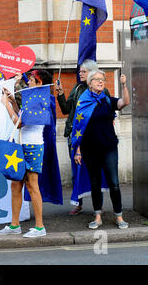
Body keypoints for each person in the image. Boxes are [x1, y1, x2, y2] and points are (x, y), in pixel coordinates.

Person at [0, 70, 53, 238]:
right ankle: (14, 225)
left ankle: (40, 227)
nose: (28, 83)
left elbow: (19, 123)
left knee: (32, 185)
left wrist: (6, 105)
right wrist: (13, 100)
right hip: (24, 145)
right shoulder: (36, 97)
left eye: (32, 80)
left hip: (33, 147)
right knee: (16, 185)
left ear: (40, 83)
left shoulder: (40, 100)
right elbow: (22, 114)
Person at [72, 70, 130, 229]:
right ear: (89, 83)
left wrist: (124, 85)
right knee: (95, 183)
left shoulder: (107, 101)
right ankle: (97, 216)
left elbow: (125, 102)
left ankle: (119, 216)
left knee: (114, 182)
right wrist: (78, 150)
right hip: (90, 149)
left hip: (109, 147)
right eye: (96, 79)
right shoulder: (83, 102)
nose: (100, 82)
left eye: (102, 80)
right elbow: (78, 127)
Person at [55, 59, 110, 215]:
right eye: (80, 71)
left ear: (92, 72)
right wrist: (60, 94)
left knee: (96, 170)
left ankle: (97, 206)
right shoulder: (78, 88)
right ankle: (77, 204)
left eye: (83, 72)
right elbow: (66, 109)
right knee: (75, 172)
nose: (80, 74)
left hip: (94, 137)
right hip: (75, 135)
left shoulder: (102, 91)